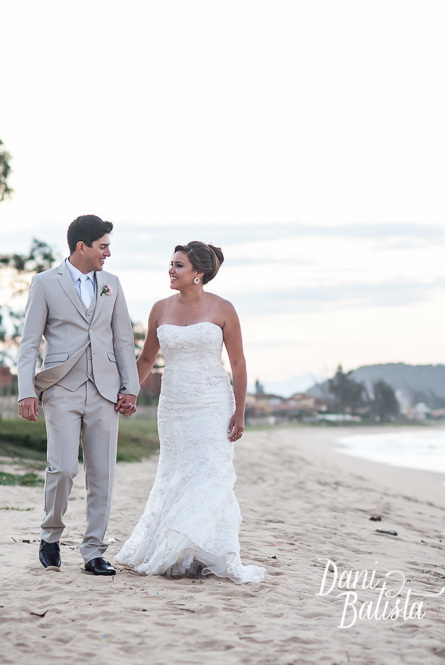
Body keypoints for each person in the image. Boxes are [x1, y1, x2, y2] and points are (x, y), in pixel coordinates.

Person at [114, 242, 264, 583]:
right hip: (174, 405)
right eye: (171, 264)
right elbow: (147, 360)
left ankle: (203, 550)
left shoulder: (223, 309)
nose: (171, 270)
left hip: (213, 402)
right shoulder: (159, 309)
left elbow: (238, 363)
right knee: (177, 475)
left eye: (178, 265)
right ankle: (177, 550)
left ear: (199, 273)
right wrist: (129, 392)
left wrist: (239, 412)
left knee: (212, 474)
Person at [17, 215, 140, 576]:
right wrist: (27, 391)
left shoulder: (112, 284)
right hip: (61, 389)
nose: (108, 253)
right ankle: (50, 537)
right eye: (103, 246)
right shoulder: (44, 283)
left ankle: (93, 552)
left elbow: (123, 339)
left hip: (105, 390)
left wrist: (129, 387)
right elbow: (29, 343)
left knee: (102, 475)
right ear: (81, 247)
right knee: (64, 468)